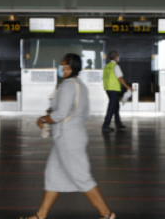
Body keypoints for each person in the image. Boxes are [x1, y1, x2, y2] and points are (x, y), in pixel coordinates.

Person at [21, 53, 116, 219]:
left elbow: (59, 114)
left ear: (71, 67)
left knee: (82, 177)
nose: (61, 68)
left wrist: (43, 119)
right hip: (69, 136)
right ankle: (40, 215)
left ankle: (107, 214)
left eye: (63, 65)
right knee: (53, 176)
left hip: (68, 139)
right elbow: (81, 113)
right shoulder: (80, 86)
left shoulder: (68, 85)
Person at [101, 50, 132, 133]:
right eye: (117, 55)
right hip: (113, 89)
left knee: (116, 106)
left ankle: (118, 124)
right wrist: (128, 87)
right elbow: (120, 79)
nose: (118, 57)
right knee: (111, 108)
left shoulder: (107, 66)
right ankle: (105, 126)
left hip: (107, 88)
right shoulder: (115, 66)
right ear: (115, 57)